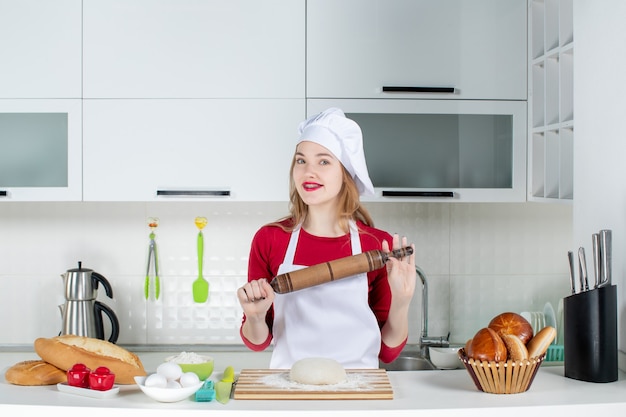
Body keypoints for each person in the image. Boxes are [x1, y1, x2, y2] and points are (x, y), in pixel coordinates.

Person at [236, 108, 416, 369]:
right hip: (291, 390)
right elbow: (257, 342)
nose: (309, 172)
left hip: (357, 392)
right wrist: (255, 316)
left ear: (345, 173)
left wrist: (402, 301)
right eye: (301, 161)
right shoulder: (270, 239)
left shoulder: (377, 246)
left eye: (323, 161)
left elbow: (386, 354)